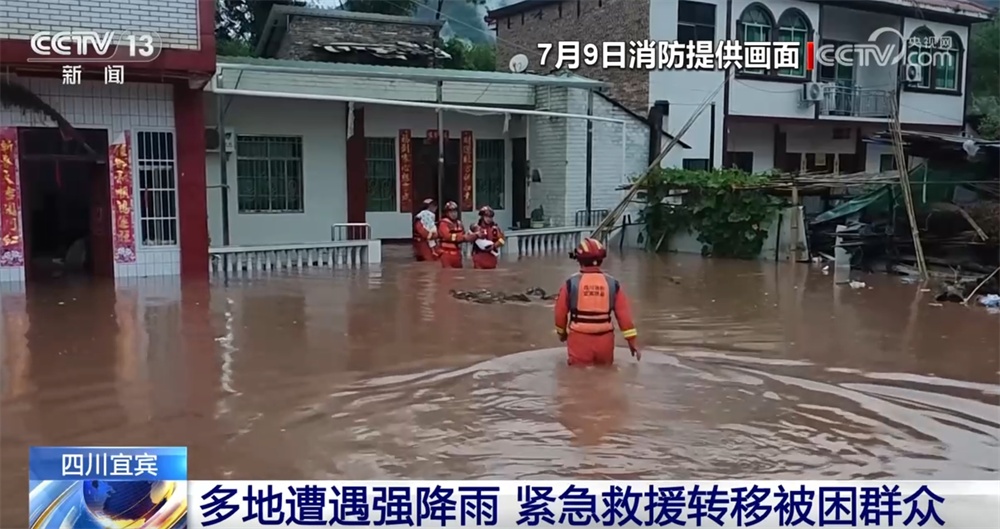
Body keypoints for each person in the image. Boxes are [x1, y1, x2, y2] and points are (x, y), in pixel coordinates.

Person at [554, 238, 640, 366]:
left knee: (577, 380)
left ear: (579, 260)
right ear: (601, 260)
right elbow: (625, 317)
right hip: (605, 340)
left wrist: (562, 334)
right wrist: (632, 342)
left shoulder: (570, 284)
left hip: (579, 339)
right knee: (605, 378)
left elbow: (559, 314)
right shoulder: (612, 284)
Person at [437, 201, 474, 268]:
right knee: (447, 275)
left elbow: (463, 234)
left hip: (457, 254)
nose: (453, 214)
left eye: (455, 212)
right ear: (447, 213)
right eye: (451, 212)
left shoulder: (459, 223)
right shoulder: (443, 224)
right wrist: (463, 237)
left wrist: (472, 236)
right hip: (446, 254)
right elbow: (447, 236)